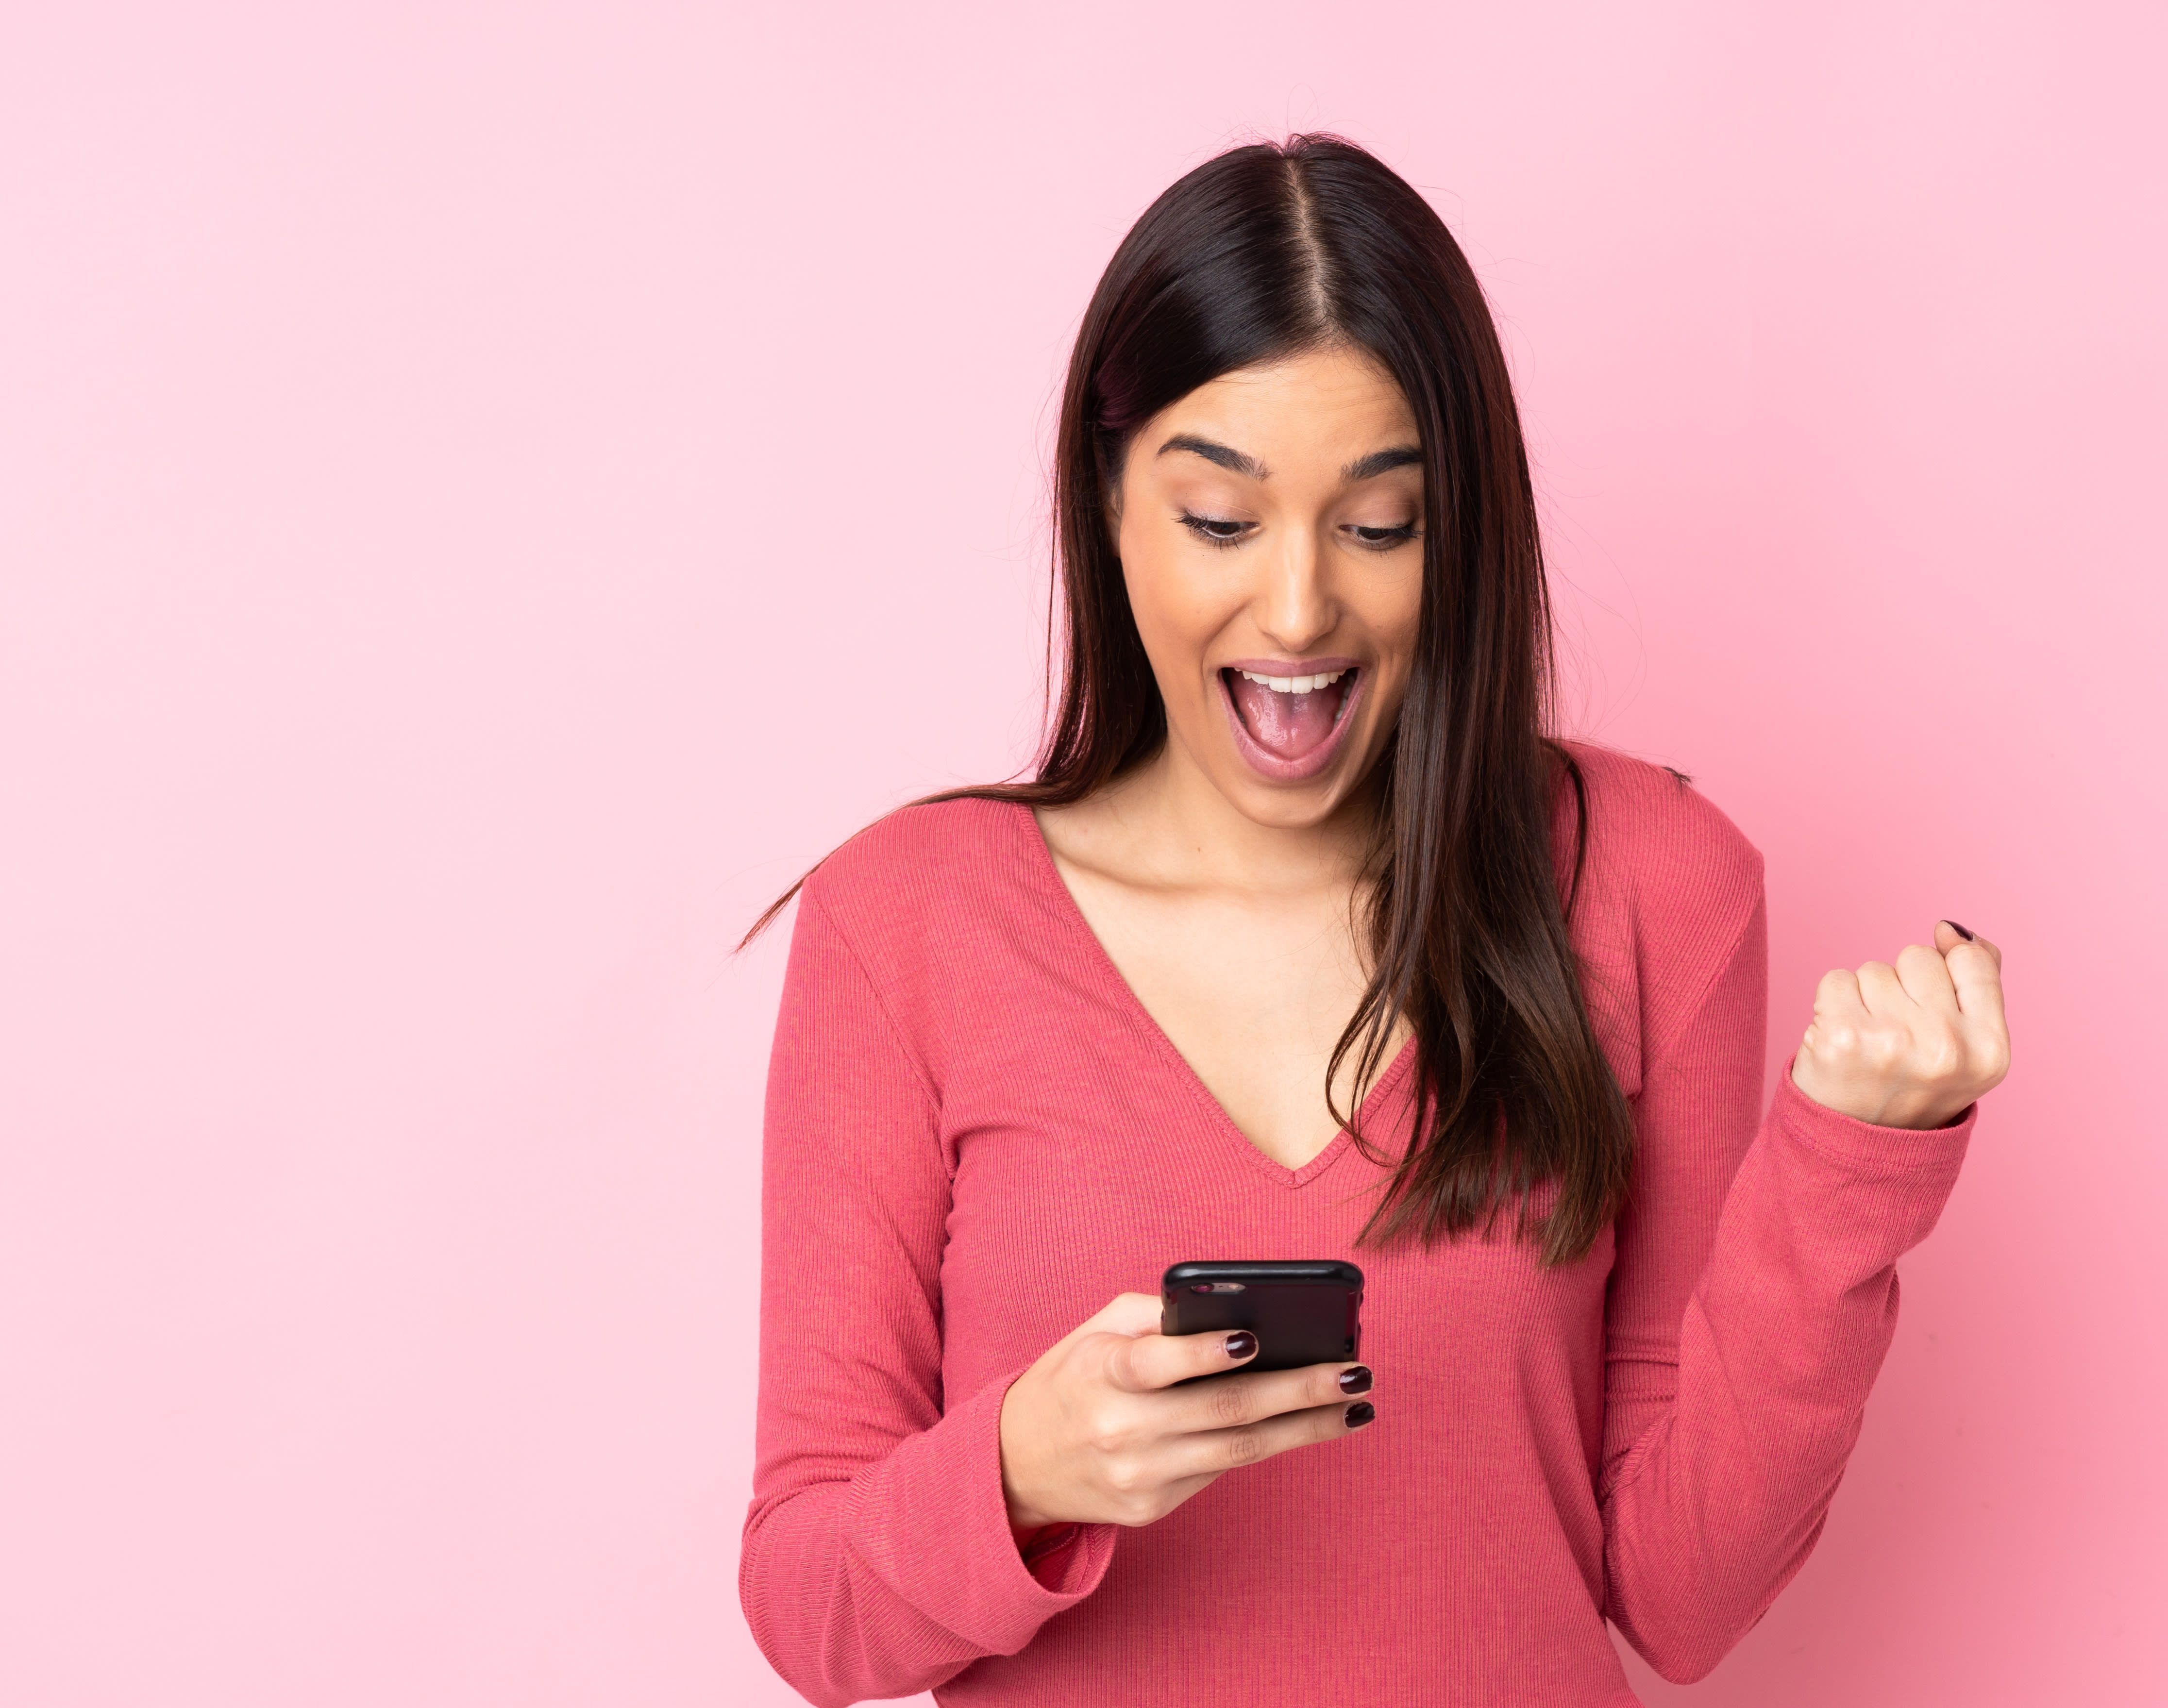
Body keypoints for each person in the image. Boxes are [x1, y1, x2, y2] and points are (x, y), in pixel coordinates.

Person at [737, 134, 2009, 1708]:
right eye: (1218, 522)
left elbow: (1680, 1597)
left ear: (1463, 531)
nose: (1294, 613)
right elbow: (810, 1607)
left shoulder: (1653, 883)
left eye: (1379, 526)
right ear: (1109, 507)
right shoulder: (905, 925)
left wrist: (1852, 1161)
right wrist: (1020, 1466)